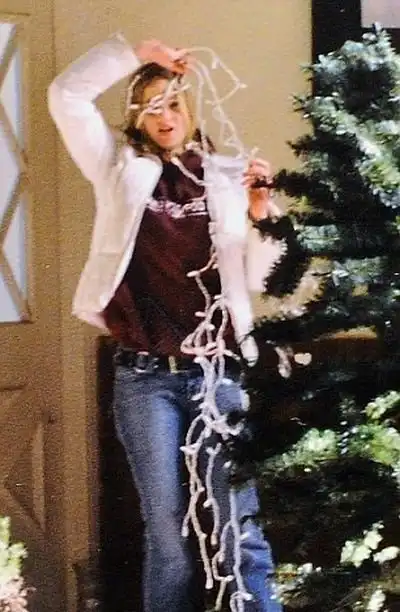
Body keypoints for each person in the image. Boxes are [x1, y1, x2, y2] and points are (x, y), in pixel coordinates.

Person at [48, 32, 283, 612]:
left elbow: (263, 278)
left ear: (190, 107)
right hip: (145, 377)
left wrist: (262, 214)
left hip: (218, 374)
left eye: (172, 102)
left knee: (240, 525)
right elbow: (66, 95)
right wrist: (136, 54)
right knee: (167, 532)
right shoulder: (119, 169)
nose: (164, 116)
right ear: (136, 118)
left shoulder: (226, 176)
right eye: (150, 107)